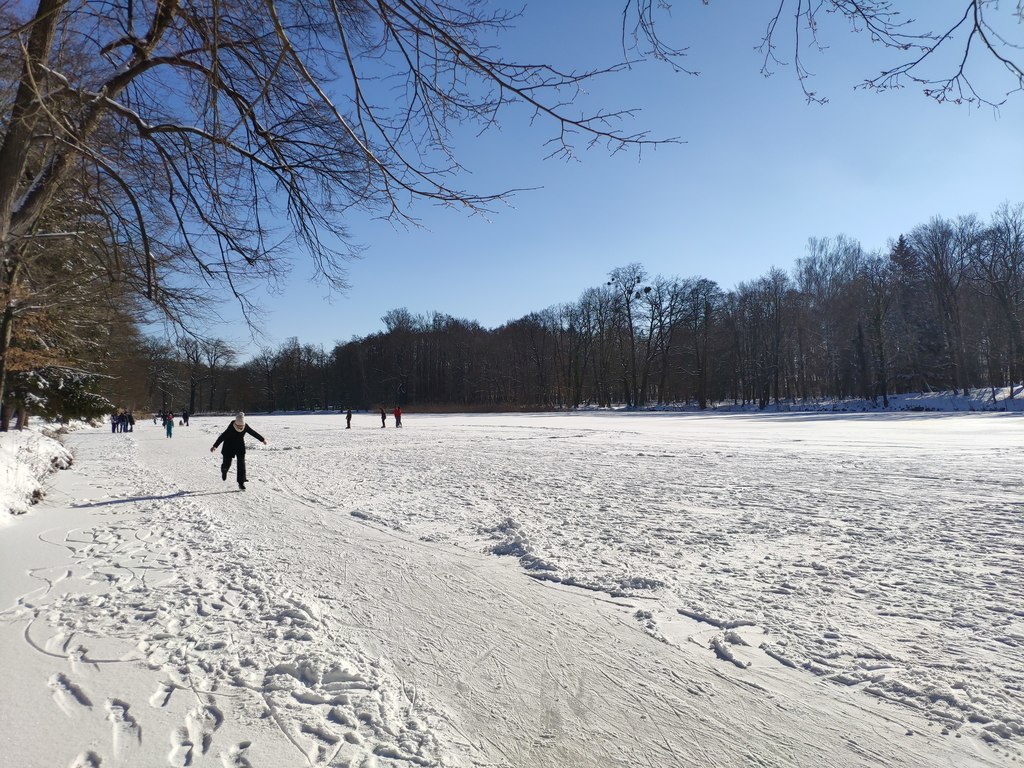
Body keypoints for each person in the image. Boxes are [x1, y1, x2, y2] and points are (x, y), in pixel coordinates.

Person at [211, 412, 267, 490]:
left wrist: (262, 439)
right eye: (239, 426)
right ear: (236, 424)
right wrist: (215, 446)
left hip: (240, 446)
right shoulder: (231, 427)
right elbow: (222, 436)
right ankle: (224, 470)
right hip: (228, 446)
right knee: (227, 464)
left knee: (241, 464)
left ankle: (241, 483)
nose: (240, 427)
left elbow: (253, 432)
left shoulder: (245, 426)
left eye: (242, 426)